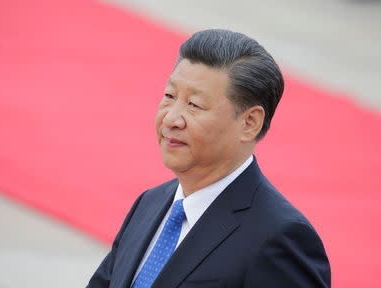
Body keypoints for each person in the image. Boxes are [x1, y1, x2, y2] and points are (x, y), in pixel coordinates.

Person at [87, 29, 331, 288]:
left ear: (250, 122)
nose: (171, 119)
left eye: (194, 105)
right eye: (169, 97)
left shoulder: (279, 238)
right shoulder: (150, 204)